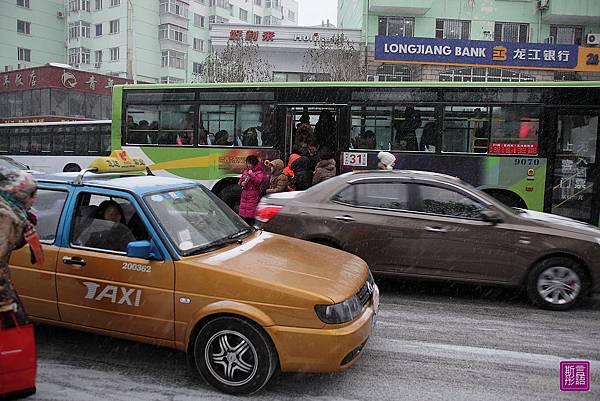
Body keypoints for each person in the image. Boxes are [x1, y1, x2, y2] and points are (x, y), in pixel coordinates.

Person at [0, 168, 44, 317]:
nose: (35, 199)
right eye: (32, 195)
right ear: (19, 195)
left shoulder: (16, 215)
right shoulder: (5, 218)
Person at [238, 155, 263, 226]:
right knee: (243, 215)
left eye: (250, 163)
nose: (248, 165)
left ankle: (251, 226)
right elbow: (240, 181)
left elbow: (258, 182)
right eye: (247, 163)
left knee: (251, 214)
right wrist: (241, 183)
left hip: (253, 195)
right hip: (244, 195)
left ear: (254, 163)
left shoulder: (259, 172)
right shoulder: (246, 171)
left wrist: (252, 174)